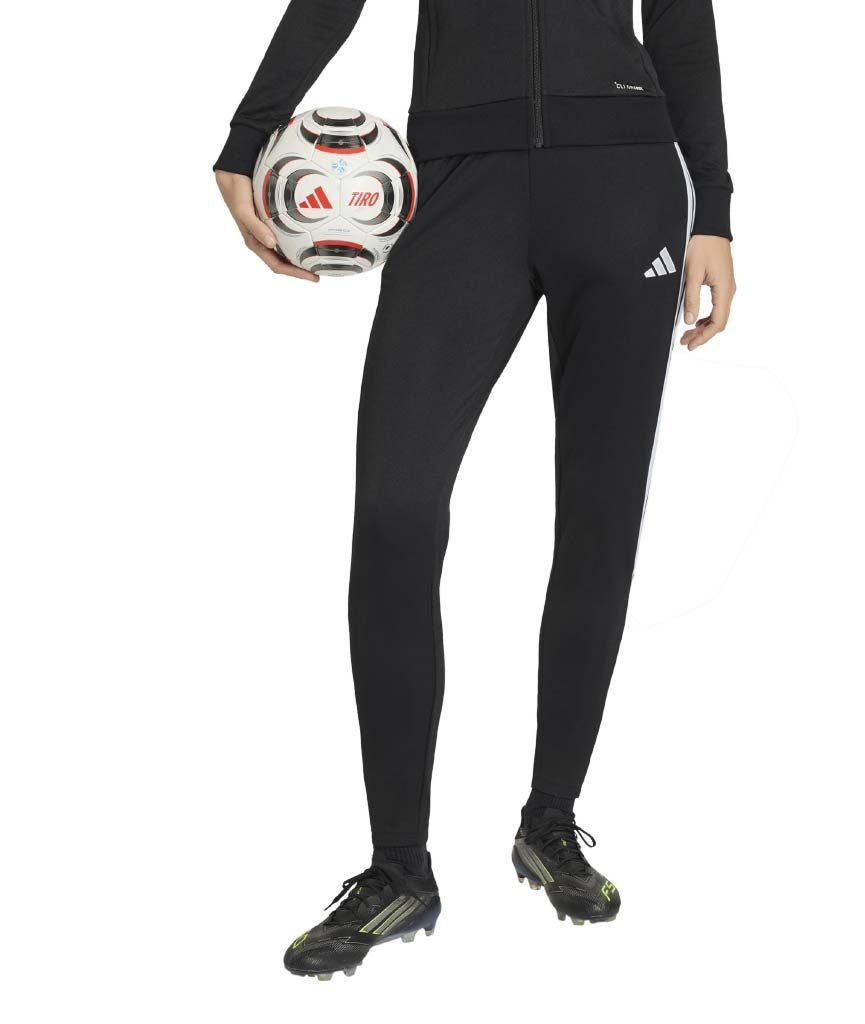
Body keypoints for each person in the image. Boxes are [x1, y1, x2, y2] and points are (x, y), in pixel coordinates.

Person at [215, 0, 736, 980]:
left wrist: (712, 202)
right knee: (395, 510)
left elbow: (677, 8)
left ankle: (551, 820)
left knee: (600, 515)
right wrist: (250, 135)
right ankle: (398, 869)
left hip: (623, 177)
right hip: (457, 181)